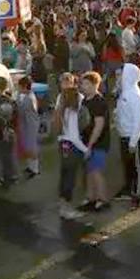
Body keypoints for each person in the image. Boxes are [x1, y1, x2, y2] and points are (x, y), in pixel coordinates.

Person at [53, 77, 89, 219]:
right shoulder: (73, 110)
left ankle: (62, 203)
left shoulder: (62, 107)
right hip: (73, 146)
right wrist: (86, 150)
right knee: (70, 177)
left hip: (63, 144)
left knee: (65, 175)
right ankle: (66, 209)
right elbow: (74, 135)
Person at [78, 71, 110, 213]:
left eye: (85, 84)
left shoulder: (98, 102)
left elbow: (99, 125)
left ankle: (103, 200)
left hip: (98, 143)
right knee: (89, 170)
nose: (82, 86)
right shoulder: (85, 100)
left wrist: (90, 145)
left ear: (94, 85)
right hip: (86, 142)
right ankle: (91, 197)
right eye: (82, 83)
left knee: (96, 171)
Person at [115, 62, 140, 208]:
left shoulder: (135, 95)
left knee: (136, 167)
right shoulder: (124, 92)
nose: (118, 77)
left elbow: (139, 121)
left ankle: (137, 195)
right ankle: (128, 189)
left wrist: (133, 142)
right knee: (127, 164)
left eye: (121, 74)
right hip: (124, 135)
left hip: (133, 137)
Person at [16, 76, 41, 178]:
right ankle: (30, 166)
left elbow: (20, 109)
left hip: (31, 125)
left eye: (19, 87)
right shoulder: (25, 95)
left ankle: (35, 169)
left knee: (31, 146)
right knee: (27, 145)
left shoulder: (29, 98)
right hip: (25, 124)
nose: (18, 89)